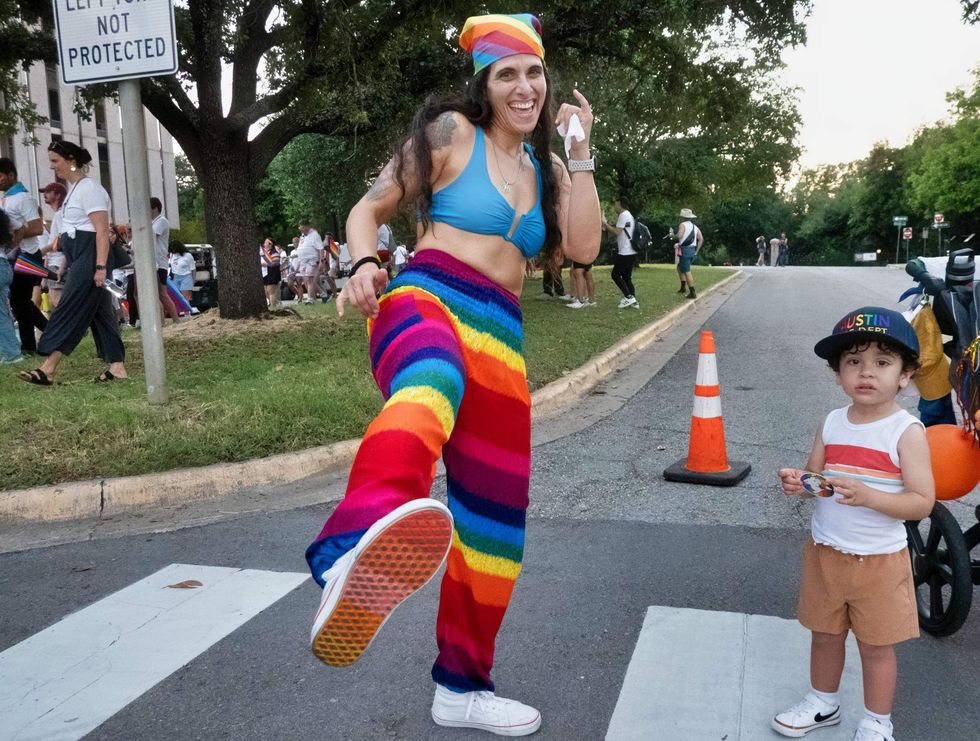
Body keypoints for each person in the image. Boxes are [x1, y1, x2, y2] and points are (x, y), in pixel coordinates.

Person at [305, 13, 599, 735]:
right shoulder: (448, 134)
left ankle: (462, 687)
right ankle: (352, 547)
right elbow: (368, 209)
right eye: (508, 74)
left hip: (502, 333)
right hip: (427, 296)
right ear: (485, 83)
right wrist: (364, 261)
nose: (524, 86)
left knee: (496, 526)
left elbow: (585, 247)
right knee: (430, 384)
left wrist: (581, 150)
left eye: (534, 73)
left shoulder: (549, 170)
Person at [773, 306, 934, 741]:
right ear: (838, 375)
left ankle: (877, 723)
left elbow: (921, 502)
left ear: (904, 375)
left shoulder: (906, 431)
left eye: (882, 363)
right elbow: (819, 482)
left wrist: (870, 497)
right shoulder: (831, 422)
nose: (867, 373)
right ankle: (823, 702)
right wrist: (800, 483)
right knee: (824, 635)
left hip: (879, 561)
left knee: (876, 647)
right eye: (853, 362)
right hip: (826, 551)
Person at [17, 140, 128, 385]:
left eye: (55, 161)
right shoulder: (77, 190)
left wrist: (100, 267)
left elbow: (101, 231)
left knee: (70, 307)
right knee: (98, 313)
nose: (52, 167)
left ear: (72, 160)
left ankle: (48, 368)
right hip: (80, 254)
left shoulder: (90, 189)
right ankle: (117, 366)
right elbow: (74, 230)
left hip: (91, 256)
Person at [0, 157, 48, 355]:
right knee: (21, 301)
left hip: (27, 256)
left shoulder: (23, 198)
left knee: (20, 302)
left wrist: (10, 235)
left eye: (0, 176)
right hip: (15, 256)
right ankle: (51, 332)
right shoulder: (8, 198)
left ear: (11, 175)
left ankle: (29, 347)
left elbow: (37, 227)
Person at [602, 198, 638, 308]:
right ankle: (633, 301)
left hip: (625, 252)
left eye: (615, 204)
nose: (614, 206)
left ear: (620, 204)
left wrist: (604, 223)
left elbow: (617, 231)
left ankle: (629, 297)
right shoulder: (628, 215)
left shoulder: (623, 215)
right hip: (632, 251)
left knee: (615, 274)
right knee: (626, 277)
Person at [39, 183, 68, 310]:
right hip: (54, 264)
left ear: (58, 195)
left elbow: (62, 242)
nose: (44, 195)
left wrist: (39, 252)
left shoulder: (60, 215)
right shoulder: (59, 215)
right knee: (56, 302)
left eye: (48, 192)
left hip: (58, 264)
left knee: (59, 303)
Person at [150, 197, 180, 321]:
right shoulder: (153, 223)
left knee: (161, 294)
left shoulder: (161, 221)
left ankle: (174, 319)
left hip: (159, 263)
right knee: (160, 294)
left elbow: (151, 235)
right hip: (155, 262)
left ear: (155, 208)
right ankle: (171, 320)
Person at [0, 210, 23, 363]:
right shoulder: (3, 216)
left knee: (1, 315)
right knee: (3, 313)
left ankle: (12, 353)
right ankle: (10, 350)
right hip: (4, 264)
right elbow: (19, 226)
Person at [674, 207, 702, 299]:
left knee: (686, 271)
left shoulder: (682, 225)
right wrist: (696, 251)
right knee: (679, 267)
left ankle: (692, 292)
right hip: (692, 250)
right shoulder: (695, 227)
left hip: (685, 250)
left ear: (683, 217)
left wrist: (673, 235)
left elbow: (680, 235)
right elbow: (701, 239)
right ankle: (683, 287)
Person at [296, 220, 322, 304]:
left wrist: (321, 261)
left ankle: (310, 299)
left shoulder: (315, 235)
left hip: (311, 260)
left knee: (309, 279)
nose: (300, 229)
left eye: (301, 227)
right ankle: (317, 295)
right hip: (303, 260)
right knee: (305, 280)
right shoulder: (303, 235)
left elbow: (321, 248)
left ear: (307, 226)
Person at [169, 241, 197, 305]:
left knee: (185, 296)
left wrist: (193, 281)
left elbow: (193, 269)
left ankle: (187, 312)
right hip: (175, 277)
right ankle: (178, 312)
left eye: (174, 249)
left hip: (186, 276)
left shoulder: (188, 255)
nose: (173, 250)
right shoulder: (172, 254)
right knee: (175, 295)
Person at [259, 237, 281, 307]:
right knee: (266, 292)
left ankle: (273, 307)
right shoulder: (264, 252)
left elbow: (275, 262)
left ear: (270, 244)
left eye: (265, 242)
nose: (264, 244)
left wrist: (265, 264)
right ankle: (274, 304)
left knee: (271, 291)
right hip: (264, 274)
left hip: (272, 273)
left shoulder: (274, 253)